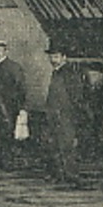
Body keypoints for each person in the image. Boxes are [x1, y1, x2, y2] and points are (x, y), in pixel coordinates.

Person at [42, 45, 86, 184]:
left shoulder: (69, 73)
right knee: (54, 145)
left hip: (66, 115)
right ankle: (58, 174)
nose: (52, 59)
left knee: (66, 146)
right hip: (54, 115)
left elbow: (76, 96)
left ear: (64, 57)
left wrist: (75, 115)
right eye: (51, 56)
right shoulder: (56, 72)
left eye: (56, 56)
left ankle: (71, 175)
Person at [0, 39, 26, 170]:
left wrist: (20, 107)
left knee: (7, 135)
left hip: (8, 107)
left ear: (5, 51)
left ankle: (8, 162)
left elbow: (21, 88)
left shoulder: (13, 67)